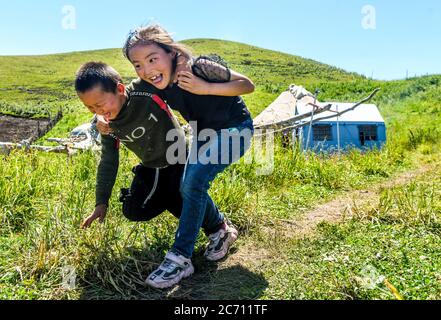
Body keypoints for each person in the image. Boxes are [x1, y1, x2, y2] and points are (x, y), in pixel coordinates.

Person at [119, 24, 255, 289]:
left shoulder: (201, 66)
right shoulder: (156, 82)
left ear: (170, 52)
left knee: (192, 183)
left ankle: (180, 258)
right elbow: (128, 93)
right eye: (137, 65)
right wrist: (104, 116)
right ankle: (222, 232)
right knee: (188, 184)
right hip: (203, 134)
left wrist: (204, 87)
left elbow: (246, 85)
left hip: (236, 129)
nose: (146, 70)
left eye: (152, 59)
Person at [75, 62, 223, 259]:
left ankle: (219, 227)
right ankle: (178, 200)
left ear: (120, 89)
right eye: (90, 108)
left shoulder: (143, 91)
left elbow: (166, 71)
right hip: (151, 166)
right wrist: (101, 202)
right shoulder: (107, 124)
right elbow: (109, 161)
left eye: (100, 105)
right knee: (133, 210)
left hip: (179, 157)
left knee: (183, 195)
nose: (97, 112)